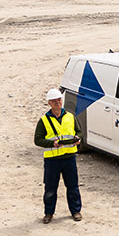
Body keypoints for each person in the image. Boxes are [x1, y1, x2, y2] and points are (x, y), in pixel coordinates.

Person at [34, 88, 81, 223]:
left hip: (69, 158)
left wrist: (78, 139)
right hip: (52, 160)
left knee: (73, 186)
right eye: (54, 101)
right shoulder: (44, 121)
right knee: (50, 188)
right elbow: (38, 140)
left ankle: (76, 211)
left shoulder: (70, 117)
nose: (57, 103)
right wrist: (52, 144)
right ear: (49, 103)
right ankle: (49, 213)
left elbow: (79, 131)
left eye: (59, 100)